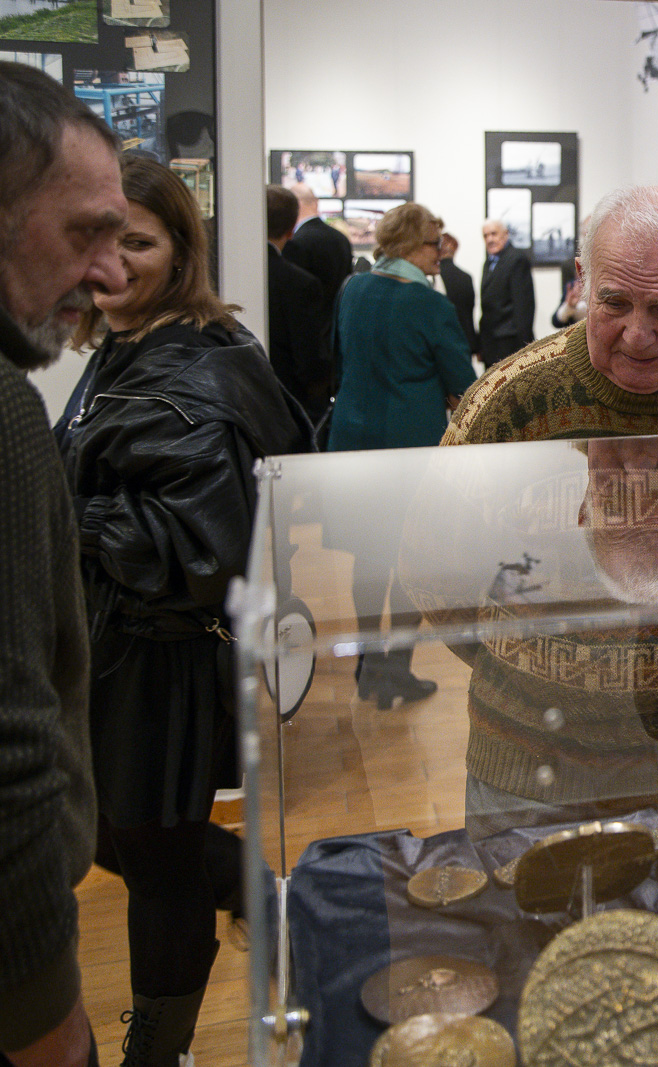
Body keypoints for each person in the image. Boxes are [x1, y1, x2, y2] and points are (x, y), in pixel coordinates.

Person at [436, 185, 658, 837]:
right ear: (582, 282)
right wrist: (542, 677)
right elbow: (433, 574)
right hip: (533, 773)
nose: (636, 334)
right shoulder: (507, 403)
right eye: (613, 302)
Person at [58, 155, 311, 1067]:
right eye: (94, 238)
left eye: (137, 241)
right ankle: (273, 902)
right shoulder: (131, 343)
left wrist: (60, 512)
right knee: (116, 832)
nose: (113, 262)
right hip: (120, 647)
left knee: (153, 866)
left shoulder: (191, 363)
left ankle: (157, 1053)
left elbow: (203, 550)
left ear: (180, 248)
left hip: (160, 660)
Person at [0, 59, 124, 1067]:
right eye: (84, 233)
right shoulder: (4, 410)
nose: (109, 273)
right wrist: (52, 1025)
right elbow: (10, 757)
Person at [328, 202, 476, 708]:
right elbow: (463, 385)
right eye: (435, 244)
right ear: (413, 246)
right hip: (409, 448)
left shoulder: (353, 289)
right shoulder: (429, 305)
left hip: (353, 442)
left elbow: (339, 359)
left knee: (367, 557)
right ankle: (397, 669)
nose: (441, 254)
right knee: (413, 557)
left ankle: (370, 667)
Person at [265, 183, 330, 426]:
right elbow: (308, 353)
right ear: (292, 229)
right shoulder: (300, 283)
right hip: (291, 403)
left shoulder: (224, 273)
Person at [283, 182, 352, 334]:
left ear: (296, 205)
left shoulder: (296, 242)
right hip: (337, 327)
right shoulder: (341, 238)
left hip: (308, 328)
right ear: (316, 203)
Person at [477, 219, 534, 367]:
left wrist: (524, 348)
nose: (489, 239)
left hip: (510, 343)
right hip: (491, 343)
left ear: (506, 234)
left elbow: (523, 307)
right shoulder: (488, 262)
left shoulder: (517, 259)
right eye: (485, 235)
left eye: (494, 234)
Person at [436, 231, 477, 352]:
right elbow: (469, 315)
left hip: (442, 343)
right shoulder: (466, 277)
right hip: (465, 341)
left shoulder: (433, 278)